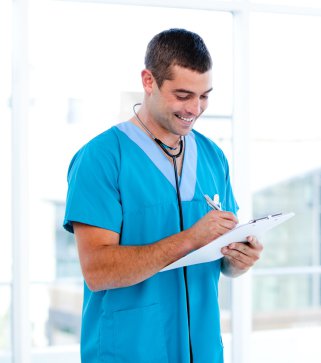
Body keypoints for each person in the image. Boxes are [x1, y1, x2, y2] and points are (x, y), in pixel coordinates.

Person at [63, 28, 263, 363]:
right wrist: (189, 239)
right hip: (128, 351)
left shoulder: (213, 156)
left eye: (204, 96)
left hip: (203, 350)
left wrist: (238, 260)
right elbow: (97, 271)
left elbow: (222, 258)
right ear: (148, 81)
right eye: (183, 95)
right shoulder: (102, 158)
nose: (195, 109)